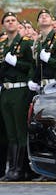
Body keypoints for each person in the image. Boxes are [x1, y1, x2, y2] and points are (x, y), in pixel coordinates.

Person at [0, 12, 34, 181]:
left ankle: (20, 169)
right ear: (3, 26)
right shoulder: (3, 45)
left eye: (13, 20)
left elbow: (31, 65)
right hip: (5, 91)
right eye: (7, 21)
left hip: (20, 89)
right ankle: (12, 168)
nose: (10, 23)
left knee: (20, 131)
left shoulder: (25, 43)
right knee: (10, 132)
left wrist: (16, 63)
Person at [28, 9, 56, 92]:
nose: (44, 17)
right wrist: (31, 79)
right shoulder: (38, 43)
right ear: (38, 22)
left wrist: (49, 60)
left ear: (52, 22)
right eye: (41, 17)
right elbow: (34, 64)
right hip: (42, 87)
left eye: (47, 16)